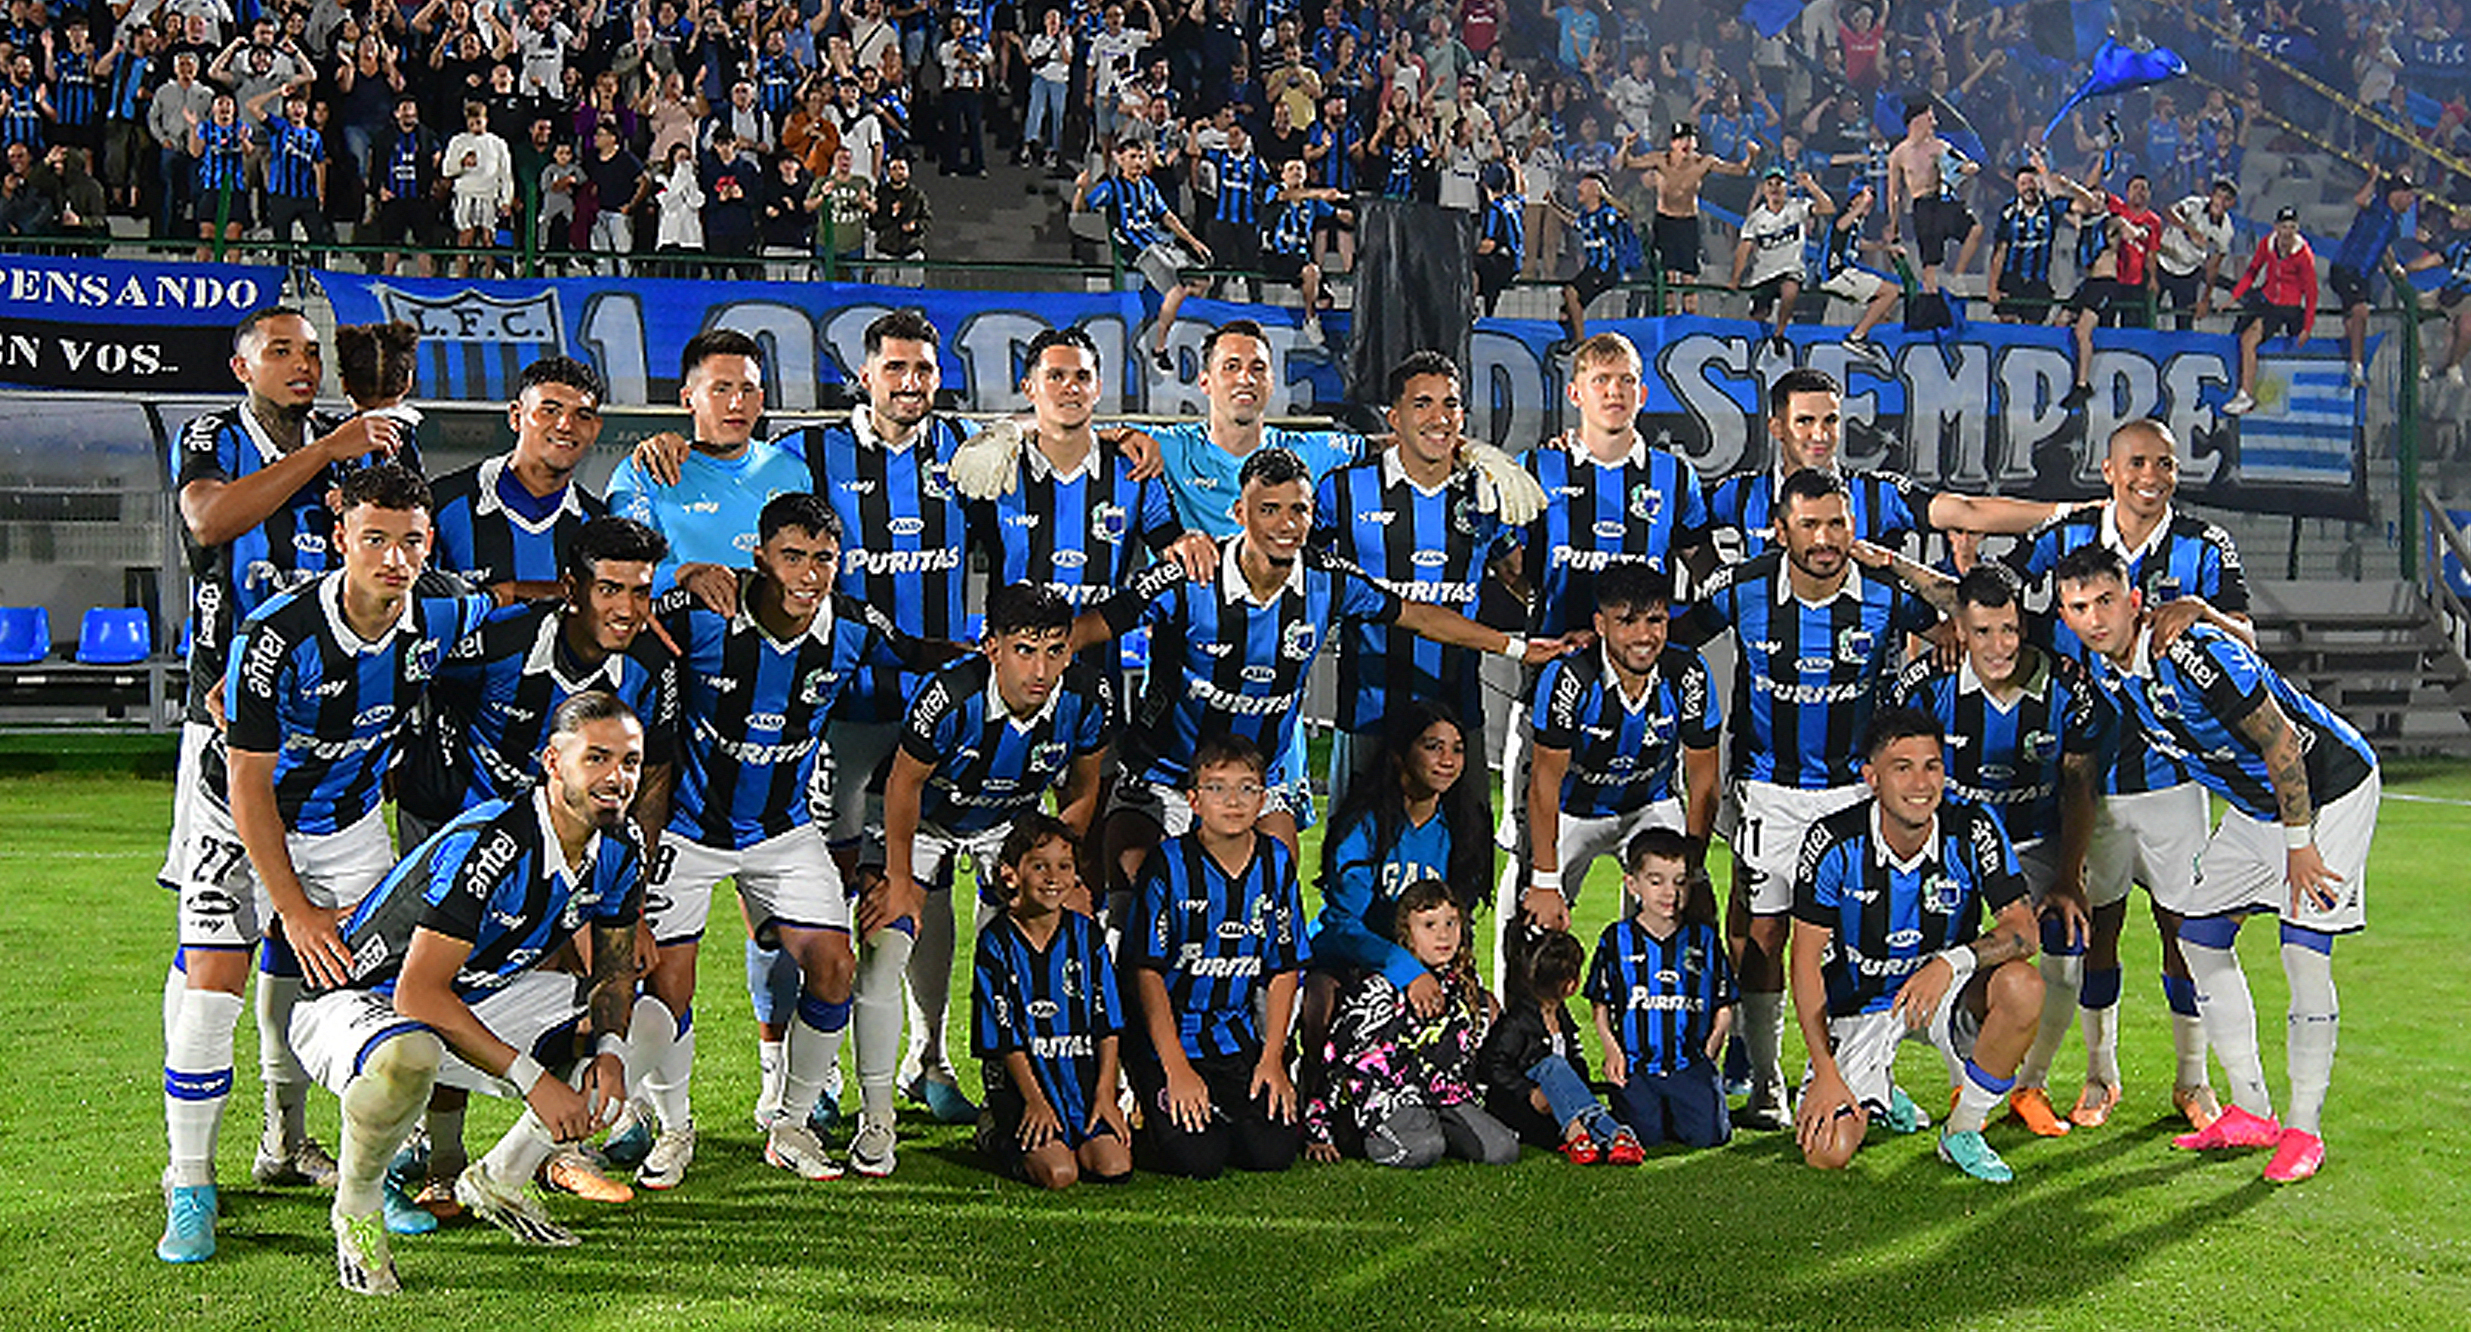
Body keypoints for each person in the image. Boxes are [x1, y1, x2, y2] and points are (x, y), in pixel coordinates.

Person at [161, 463, 490, 1263]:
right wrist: (297, 909)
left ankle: (357, 1175)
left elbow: (523, 613)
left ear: (428, 545)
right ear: (340, 538)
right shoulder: (277, 635)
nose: (393, 558)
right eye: (374, 538)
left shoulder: (444, 612)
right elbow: (247, 782)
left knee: (374, 1000)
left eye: (410, 541)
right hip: (236, 817)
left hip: (346, 824)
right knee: (212, 988)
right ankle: (190, 1185)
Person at [155, 310, 418, 1264]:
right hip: (230, 731)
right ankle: (189, 1182)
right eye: (282, 351)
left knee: (329, 963)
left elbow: (400, 539)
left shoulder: (353, 450)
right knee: (213, 971)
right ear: (241, 365)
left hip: (341, 748)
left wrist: (369, 431)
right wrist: (334, 448)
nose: (303, 365)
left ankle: (287, 1139)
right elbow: (210, 520)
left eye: (313, 352)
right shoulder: (213, 435)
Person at [1073, 446, 1567, 903]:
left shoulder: (1327, 581)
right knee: (1132, 911)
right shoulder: (1189, 576)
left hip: (1259, 783)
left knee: (1271, 906)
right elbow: (1091, 627)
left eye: (1299, 510)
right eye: (1269, 510)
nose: (1287, 524)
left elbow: (1419, 615)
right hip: (1166, 777)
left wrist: (1517, 647)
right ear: (1239, 513)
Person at [629, 493, 943, 1189]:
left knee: (833, 964)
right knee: (668, 984)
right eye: (792, 556)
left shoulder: (853, 626)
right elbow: (620, 607)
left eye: (823, 559)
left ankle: (791, 1121)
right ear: (759, 557)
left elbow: (917, 655)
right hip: (687, 827)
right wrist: (676, 573)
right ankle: (673, 1128)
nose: (808, 574)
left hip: (781, 831)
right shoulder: (704, 616)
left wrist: (987, 653)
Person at [294, 692, 649, 1294]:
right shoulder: (494, 841)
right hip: (360, 999)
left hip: (470, 993)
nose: (617, 778)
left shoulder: (620, 844)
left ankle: (502, 1179)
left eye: (631, 762)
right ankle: (357, 1209)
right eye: (597, 758)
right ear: (552, 762)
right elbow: (418, 996)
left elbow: (613, 971)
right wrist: (537, 1081)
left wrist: (610, 1050)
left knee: (646, 1025)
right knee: (410, 1053)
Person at [2053, 543, 2379, 1183]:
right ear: (2065, 616)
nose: (2095, 619)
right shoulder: (2113, 672)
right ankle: (2253, 1111)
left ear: (2135, 601)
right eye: (2078, 607)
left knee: (2302, 951)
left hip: (2327, 792)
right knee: (2200, 935)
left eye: (2105, 602)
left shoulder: (2188, 653)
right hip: (2258, 806)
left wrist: (2300, 847)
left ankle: (2304, 1132)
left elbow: (2281, 738)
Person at [1674, 467, 1943, 1132]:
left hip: (1857, 790)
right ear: (1780, 528)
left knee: (1853, 940)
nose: (1825, 540)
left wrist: (1908, 574)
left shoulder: (1882, 591)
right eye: (1809, 525)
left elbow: (1966, 619)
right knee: (1764, 932)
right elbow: (1666, 638)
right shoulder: (1741, 589)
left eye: (1837, 525)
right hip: (1769, 789)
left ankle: (1843, 1073)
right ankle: (1764, 1080)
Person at [2002, 417, 2251, 1131]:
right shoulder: (2062, 540)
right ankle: (2098, 1076)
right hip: (2089, 786)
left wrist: (2201, 611)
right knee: (2096, 933)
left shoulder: (2204, 545)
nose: (2152, 476)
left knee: (2185, 935)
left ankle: (2190, 1081)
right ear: (2107, 470)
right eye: (2138, 462)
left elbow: (2249, 637)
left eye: (2165, 465)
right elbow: (1997, 600)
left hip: (2175, 782)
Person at [868, 584, 1114, 1173]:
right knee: (888, 941)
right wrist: (900, 877)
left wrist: (1061, 866)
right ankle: (877, 1118)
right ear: (991, 647)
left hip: (1009, 825)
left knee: (1038, 943)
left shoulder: (1086, 695)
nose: (1041, 668)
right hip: (925, 818)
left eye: (1055, 651)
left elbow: (1083, 787)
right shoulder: (949, 695)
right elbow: (903, 786)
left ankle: (1005, 1100)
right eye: (1025, 650)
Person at [1876, 564, 2099, 1138]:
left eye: (2007, 629)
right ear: (1960, 630)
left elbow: (2079, 784)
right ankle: (1962, 1077)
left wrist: (2070, 876)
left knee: (2065, 959)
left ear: (2022, 623)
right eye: (1981, 633)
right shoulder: (1927, 684)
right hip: (1949, 845)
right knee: (1927, 955)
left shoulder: (2065, 686)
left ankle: (2030, 1086)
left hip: (2035, 842)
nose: (1997, 646)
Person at [1789, 707, 2046, 1183]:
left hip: (1943, 995)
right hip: (1861, 1004)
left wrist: (1951, 962)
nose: (1921, 783)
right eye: (1902, 768)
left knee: (2023, 987)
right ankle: (1877, 1087)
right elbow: (1803, 963)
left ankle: (1963, 1132)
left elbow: (2024, 931)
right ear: (1872, 778)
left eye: (1932, 766)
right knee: (1828, 1152)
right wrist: (1825, 1070)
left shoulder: (1973, 826)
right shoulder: (1832, 841)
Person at [1309, 351, 1526, 801]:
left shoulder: (1484, 495)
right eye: (1422, 404)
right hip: (1368, 711)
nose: (1439, 417)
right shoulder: (1344, 489)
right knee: (1357, 859)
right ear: (1395, 417)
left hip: (1457, 714)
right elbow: (1302, 572)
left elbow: (1519, 576)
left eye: (1450, 404)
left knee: (1464, 862)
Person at [1120, 735, 1309, 1178]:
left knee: (1272, 1153)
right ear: (1194, 800)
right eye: (1217, 788)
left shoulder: (1275, 862)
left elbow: (1284, 967)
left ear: (1263, 799)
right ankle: (1145, 1105)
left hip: (1236, 1041)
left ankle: (1221, 1108)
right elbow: (1146, 973)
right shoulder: (1168, 864)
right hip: (1171, 1043)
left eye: (1247, 788)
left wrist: (1273, 1058)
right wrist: (1176, 1068)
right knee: (1197, 1160)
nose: (1233, 801)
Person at [1520, 561, 1719, 934]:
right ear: (1601, 625)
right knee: (1536, 927)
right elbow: (1544, 782)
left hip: (1649, 806)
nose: (1644, 636)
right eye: (1627, 622)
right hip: (1572, 811)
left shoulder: (1689, 673)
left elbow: (1704, 781)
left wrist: (1692, 868)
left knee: (1692, 915)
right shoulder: (1568, 677)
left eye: (1655, 621)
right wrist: (1545, 882)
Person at [1304, 878, 1518, 1168]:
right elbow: (1335, 1059)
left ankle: (1432, 1127)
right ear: (1407, 932)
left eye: (1451, 923)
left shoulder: (1464, 988)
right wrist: (1319, 1129)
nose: (1443, 936)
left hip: (1444, 1098)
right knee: (1423, 1151)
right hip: (1387, 1097)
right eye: (1429, 925)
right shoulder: (1378, 992)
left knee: (1502, 1151)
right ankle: (1362, 1131)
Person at [970, 813, 1132, 1188]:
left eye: (1064, 866)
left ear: (1076, 874)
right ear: (1011, 874)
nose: (1053, 878)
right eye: (1039, 866)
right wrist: (1035, 1102)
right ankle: (995, 1133)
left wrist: (1107, 1094)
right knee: (1059, 1174)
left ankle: (1072, 1133)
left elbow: (1108, 1022)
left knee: (1113, 1166)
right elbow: (1002, 1037)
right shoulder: (996, 943)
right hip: (1024, 1084)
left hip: (1081, 1080)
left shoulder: (1087, 936)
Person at [604, 330, 809, 584]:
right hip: (674, 624)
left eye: (747, 389)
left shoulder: (792, 470)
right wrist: (683, 576)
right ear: (688, 399)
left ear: (761, 400)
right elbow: (620, 571)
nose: (736, 403)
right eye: (720, 389)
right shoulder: (645, 471)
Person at [1588, 827, 1735, 1149]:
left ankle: (1689, 1105)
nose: (1669, 893)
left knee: (1710, 1138)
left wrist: (1709, 1056)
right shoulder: (1616, 939)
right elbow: (1601, 1003)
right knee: (1644, 1138)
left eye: (1679, 882)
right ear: (1633, 884)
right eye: (1656, 881)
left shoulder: (1704, 940)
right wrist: (1612, 1051)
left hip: (1689, 1064)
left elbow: (1724, 1005)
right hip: (1637, 1067)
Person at [428, 355, 610, 602]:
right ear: (516, 416)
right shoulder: (441, 503)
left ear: (596, 429)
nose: (566, 425)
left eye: (583, 415)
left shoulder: (599, 524)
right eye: (550, 410)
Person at [1474, 929, 1641, 1162]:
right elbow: (1491, 1066)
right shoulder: (1517, 1021)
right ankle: (1608, 1133)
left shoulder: (1562, 1016)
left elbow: (1576, 1059)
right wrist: (1529, 1092)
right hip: (1525, 1110)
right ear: (1571, 985)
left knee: (1560, 1070)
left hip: (1561, 1104)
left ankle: (1590, 1136)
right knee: (1552, 1065)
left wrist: (1579, 1087)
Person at [1074, 137, 1214, 376]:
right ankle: (1159, 349)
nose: (1137, 162)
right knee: (1176, 291)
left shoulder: (1148, 186)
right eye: (1132, 157)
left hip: (1161, 243)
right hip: (1138, 250)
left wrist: (1193, 242)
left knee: (1204, 279)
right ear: (1119, 159)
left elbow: (1167, 216)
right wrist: (1080, 188)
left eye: (1140, 157)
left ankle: (1165, 318)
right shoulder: (1111, 187)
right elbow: (1081, 210)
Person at [1628, 120, 1757, 313]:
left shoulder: (1704, 162)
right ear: (1672, 142)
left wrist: (1752, 156)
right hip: (1665, 222)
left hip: (1688, 222)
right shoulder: (1660, 160)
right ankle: (1669, 314)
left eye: (1689, 138)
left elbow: (1740, 170)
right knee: (1669, 276)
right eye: (1680, 139)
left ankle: (1690, 318)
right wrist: (1626, 147)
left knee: (1689, 276)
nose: (1685, 143)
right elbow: (1629, 163)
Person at [2222, 207, 2320, 417]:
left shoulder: (2303, 255)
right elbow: (2252, 271)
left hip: (2288, 306)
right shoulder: (2267, 243)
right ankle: (2242, 389)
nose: (2287, 232)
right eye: (2283, 227)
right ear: (2276, 227)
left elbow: (2311, 293)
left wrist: (2308, 327)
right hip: (2267, 299)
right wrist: (2233, 297)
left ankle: (2246, 394)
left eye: (2291, 227)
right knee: (2243, 333)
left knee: (2249, 340)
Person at [2326, 172, 2418, 388]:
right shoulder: (2377, 207)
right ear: (2397, 194)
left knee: (2353, 322)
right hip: (2346, 269)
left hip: (2363, 276)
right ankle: (2356, 366)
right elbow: (2359, 200)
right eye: (2408, 195)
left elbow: (2384, 246)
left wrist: (2394, 265)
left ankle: (2349, 367)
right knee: (2360, 311)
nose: (2411, 201)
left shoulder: (2394, 223)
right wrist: (2373, 178)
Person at [1732, 165, 1833, 357]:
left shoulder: (1797, 207)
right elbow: (1743, 250)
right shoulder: (1756, 218)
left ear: (1786, 187)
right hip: (1764, 273)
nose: (1774, 188)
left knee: (1790, 289)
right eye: (1770, 184)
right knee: (1758, 315)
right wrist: (1735, 279)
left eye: (1779, 183)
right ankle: (1753, 349)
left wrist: (1811, 185)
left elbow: (1828, 208)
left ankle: (1779, 334)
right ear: (1763, 189)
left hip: (1790, 268)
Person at [1881, 100, 1977, 298]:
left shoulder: (1939, 146)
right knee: (1930, 263)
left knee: (1974, 230)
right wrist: (1894, 224)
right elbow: (1894, 193)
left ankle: (1957, 276)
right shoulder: (1899, 154)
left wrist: (1966, 169)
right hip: (1922, 205)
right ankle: (1932, 305)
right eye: (1930, 118)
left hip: (1942, 200)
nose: (1934, 123)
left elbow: (1964, 163)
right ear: (1917, 120)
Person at [1808, 182, 1903, 362]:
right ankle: (1857, 336)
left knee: (1886, 296)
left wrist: (1886, 247)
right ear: (1853, 201)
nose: (1869, 203)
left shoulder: (1857, 223)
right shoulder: (1844, 217)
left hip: (1847, 273)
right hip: (1837, 274)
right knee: (1891, 291)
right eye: (1864, 199)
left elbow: (1859, 244)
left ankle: (1870, 330)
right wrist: (1860, 204)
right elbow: (1840, 226)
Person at [1548, 171, 1634, 349]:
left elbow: (1626, 213)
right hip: (1592, 268)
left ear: (1596, 190)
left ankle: (1580, 342)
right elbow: (1573, 220)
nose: (1578, 188)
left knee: (1571, 292)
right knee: (1566, 312)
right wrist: (1553, 204)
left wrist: (1606, 195)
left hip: (1606, 269)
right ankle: (1570, 340)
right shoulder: (1586, 217)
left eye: (1584, 186)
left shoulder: (1606, 214)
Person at [1987, 161, 2072, 325]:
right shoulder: (2008, 212)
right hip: (2011, 279)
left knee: (2031, 328)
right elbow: (2000, 251)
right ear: (2017, 187)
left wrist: (2045, 171)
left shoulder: (2051, 207)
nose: (2028, 187)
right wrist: (1992, 287)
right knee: (2007, 324)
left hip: (2038, 282)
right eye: (2023, 183)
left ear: (2039, 184)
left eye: (2031, 182)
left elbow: (2079, 205)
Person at [2155, 177, 2238, 331]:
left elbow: (2214, 266)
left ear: (2232, 203)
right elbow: (2169, 211)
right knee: (2148, 312)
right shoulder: (2194, 204)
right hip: (2162, 263)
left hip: (2189, 272)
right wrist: (2189, 229)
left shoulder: (2226, 230)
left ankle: (2182, 353)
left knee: (2185, 322)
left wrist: (2205, 300)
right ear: (2212, 195)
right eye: (2219, 196)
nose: (2221, 202)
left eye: (2227, 199)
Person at [441, 100, 512, 276]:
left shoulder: (497, 143)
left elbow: (506, 174)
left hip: (488, 195)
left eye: (478, 121)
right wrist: (462, 163)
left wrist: (506, 200)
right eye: (472, 123)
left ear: (486, 120)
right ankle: (462, 277)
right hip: (465, 194)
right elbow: (447, 170)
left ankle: (488, 277)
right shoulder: (458, 141)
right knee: (465, 237)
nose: (475, 126)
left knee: (488, 238)